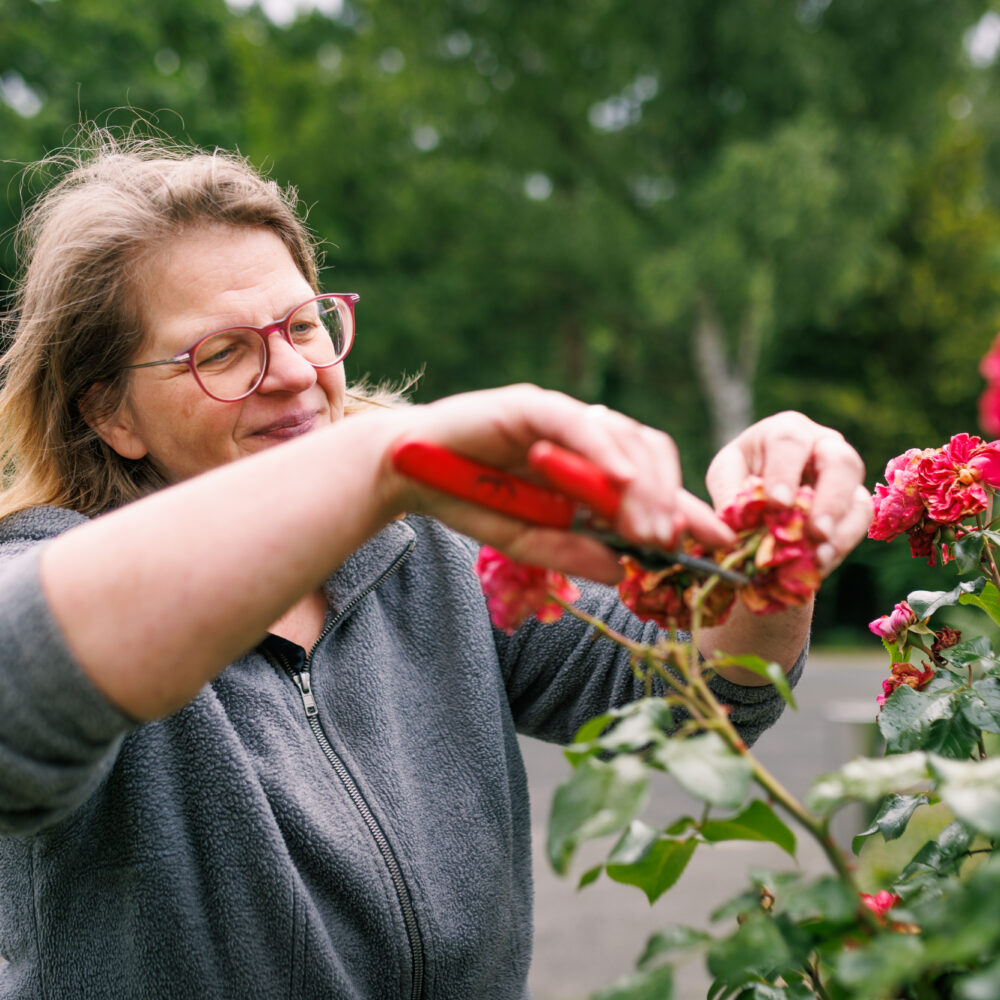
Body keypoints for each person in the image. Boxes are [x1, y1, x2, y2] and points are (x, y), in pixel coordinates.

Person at [0, 134, 872, 999]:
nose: (298, 372)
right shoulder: (49, 566)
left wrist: (774, 541)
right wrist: (378, 463)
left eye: (306, 324)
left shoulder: (423, 552)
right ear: (111, 415)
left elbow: (699, 695)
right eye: (222, 353)